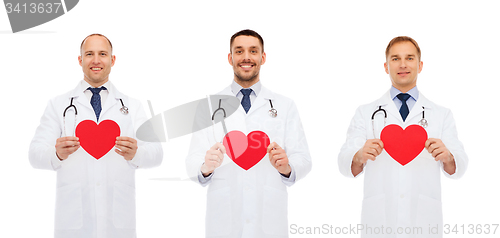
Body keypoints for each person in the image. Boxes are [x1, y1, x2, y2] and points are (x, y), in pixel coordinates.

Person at [29, 34, 163, 238]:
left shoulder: (132, 106)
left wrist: (136, 154)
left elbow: (156, 153)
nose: (96, 60)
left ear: (113, 60)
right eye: (89, 54)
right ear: (80, 60)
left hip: (118, 223)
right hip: (73, 222)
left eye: (103, 54)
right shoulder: (58, 105)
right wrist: (56, 154)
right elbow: (34, 154)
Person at [186, 29, 312, 238]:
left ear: (262, 58)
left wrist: (287, 167)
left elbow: (304, 158)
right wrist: (206, 166)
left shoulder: (285, 105)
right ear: (230, 58)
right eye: (239, 51)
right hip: (224, 222)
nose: (246, 57)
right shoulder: (208, 106)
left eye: (253, 51)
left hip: (269, 221)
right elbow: (192, 161)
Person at [338, 36, 468, 238]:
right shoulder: (365, 112)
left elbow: (459, 166)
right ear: (386, 66)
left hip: (424, 220)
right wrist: (358, 155)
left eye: (409, 58)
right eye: (395, 58)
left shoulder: (441, 114)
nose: (403, 64)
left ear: (420, 64)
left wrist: (449, 157)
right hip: (380, 220)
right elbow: (344, 162)